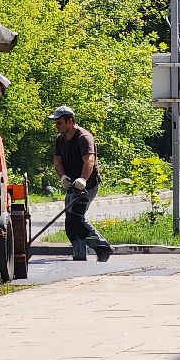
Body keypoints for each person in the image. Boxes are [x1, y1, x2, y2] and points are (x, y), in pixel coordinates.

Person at [48, 105, 113, 263]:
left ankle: (103, 247)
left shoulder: (84, 137)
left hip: (87, 185)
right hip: (72, 186)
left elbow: (89, 160)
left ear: (70, 121)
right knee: (70, 222)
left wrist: (83, 179)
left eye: (59, 123)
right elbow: (57, 161)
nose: (57, 126)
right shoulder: (60, 139)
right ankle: (79, 255)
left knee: (77, 218)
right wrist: (63, 177)